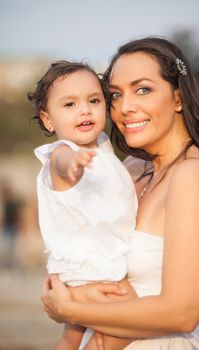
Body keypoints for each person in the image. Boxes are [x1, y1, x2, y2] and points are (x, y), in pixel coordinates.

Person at [41, 37, 199, 350]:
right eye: (115, 94)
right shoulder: (129, 169)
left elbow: (182, 313)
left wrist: (66, 308)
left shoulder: (194, 174)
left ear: (177, 98)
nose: (126, 107)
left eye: (142, 89)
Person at [28, 60, 138, 350]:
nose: (85, 110)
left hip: (95, 270)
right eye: (69, 105)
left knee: (71, 338)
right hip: (86, 273)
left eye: (93, 100)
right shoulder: (62, 152)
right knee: (127, 320)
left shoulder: (102, 147)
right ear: (48, 120)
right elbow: (61, 164)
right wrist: (73, 164)